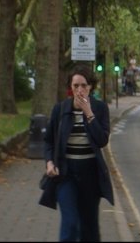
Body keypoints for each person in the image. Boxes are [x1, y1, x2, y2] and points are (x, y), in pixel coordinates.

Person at [41, 65, 114, 241]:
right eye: (75, 86)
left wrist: (89, 113)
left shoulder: (100, 108)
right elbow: (48, 141)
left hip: (90, 174)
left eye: (84, 85)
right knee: (71, 223)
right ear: (70, 87)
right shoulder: (60, 109)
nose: (80, 90)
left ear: (90, 87)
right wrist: (49, 162)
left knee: (89, 227)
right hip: (66, 174)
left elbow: (102, 140)